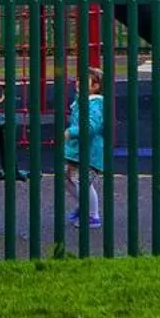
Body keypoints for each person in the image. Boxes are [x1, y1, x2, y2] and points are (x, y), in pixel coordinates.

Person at [63, 68, 106, 227]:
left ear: (95, 86)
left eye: (84, 81)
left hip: (89, 153)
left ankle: (92, 215)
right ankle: (84, 205)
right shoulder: (82, 101)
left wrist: (71, 132)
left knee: (82, 182)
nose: (78, 83)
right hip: (76, 151)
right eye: (78, 80)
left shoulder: (94, 105)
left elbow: (91, 127)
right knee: (66, 178)